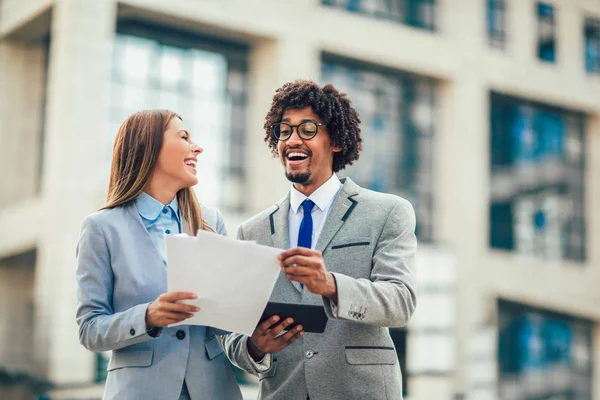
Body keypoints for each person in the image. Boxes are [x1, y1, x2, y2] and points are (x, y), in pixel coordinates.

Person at [222, 80, 418, 400]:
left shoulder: (388, 212)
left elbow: (400, 302)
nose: (292, 140)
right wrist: (256, 346)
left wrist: (329, 284)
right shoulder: (251, 232)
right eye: (284, 130)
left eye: (307, 129)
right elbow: (231, 334)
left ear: (336, 141)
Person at [75, 109, 242, 400]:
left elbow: (225, 319)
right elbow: (90, 329)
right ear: (148, 147)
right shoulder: (101, 228)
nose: (198, 147)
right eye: (184, 137)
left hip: (213, 390)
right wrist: (148, 316)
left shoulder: (209, 221)